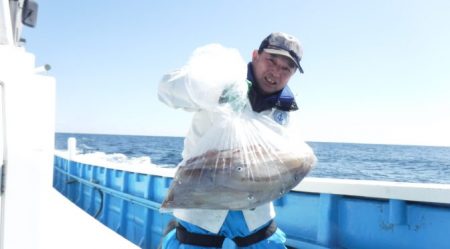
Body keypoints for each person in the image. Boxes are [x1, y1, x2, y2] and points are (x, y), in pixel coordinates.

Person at [158, 32, 305, 249]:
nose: (276, 71)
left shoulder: (284, 110)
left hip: (256, 218)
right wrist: (215, 90)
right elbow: (165, 90)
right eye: (271, 60)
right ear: (255, 55)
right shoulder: (223, 77)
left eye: (287, 68)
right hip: (201, 210)